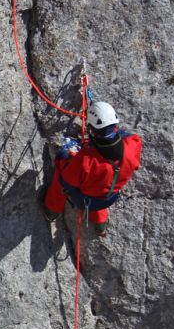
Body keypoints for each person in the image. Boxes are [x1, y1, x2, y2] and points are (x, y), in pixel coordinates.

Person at [41, 101, 142, 237]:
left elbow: (67, 181)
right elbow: (126, 136)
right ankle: (101, 223)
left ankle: (52, 210)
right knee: (101, 184)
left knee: (62, 161)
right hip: (109, 196)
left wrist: (70, 154)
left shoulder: (86, 159)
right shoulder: (132, 146)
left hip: (86, 198)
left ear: (92, 130)